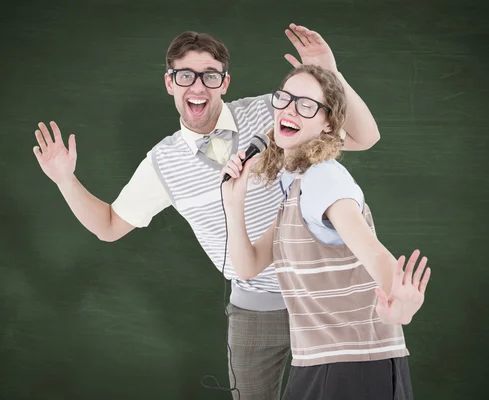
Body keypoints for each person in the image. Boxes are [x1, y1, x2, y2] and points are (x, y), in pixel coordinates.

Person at [32, 24, 382, 399]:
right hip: (254, 305)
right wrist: (65, 181)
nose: (197, 86)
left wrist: (331, 75)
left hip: (322, 294)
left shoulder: (273, 111)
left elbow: (364, 137)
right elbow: (109, 225)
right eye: (185, 76)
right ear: (170, 84)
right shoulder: (162, 163)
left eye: (210, 76)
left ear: (225, 82)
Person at [219, 63, 431, 399]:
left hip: (353, 367)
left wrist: (401, 302)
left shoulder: (323, 178)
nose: (290, 109)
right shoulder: (296, 188)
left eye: (306, 105)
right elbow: (248, 266)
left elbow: (375, 253)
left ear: (328, 123)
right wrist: (234, 202)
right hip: (321, 363)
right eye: (285, 99)